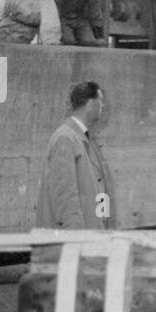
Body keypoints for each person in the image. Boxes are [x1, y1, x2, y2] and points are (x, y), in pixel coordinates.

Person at [34, 81, 117, 230]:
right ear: (91, 104)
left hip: (91, 239)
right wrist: (75, 239)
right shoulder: (65, 138)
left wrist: (104, 228)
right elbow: (65, 198)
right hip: (75, 242)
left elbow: (99, 188)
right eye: (100, 101)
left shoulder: (85, 139)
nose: (103, 107)